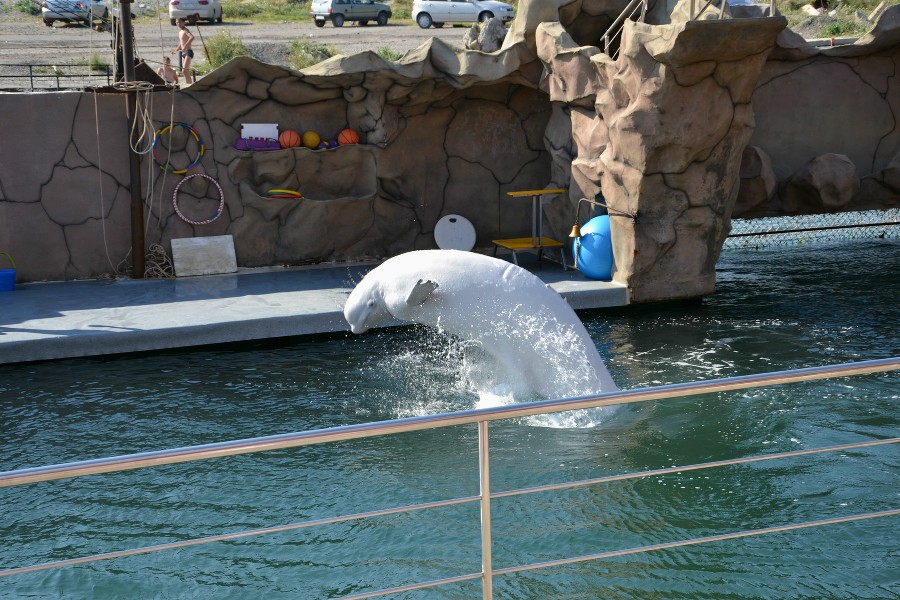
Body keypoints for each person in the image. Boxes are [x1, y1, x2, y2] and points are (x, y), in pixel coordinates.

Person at [172, 18, 195, 84]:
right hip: (183, 53)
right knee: (184, 72)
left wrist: (185, 46)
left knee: (184, 71)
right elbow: (181, 43)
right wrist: (176, 50)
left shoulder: (185, 30)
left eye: (179, 22)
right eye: (177, 22)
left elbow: (192, 37)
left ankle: (189, 85)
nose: (178, 24)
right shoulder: (180, 32)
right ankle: (189, 84)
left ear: (183, 23)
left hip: (188, 51)